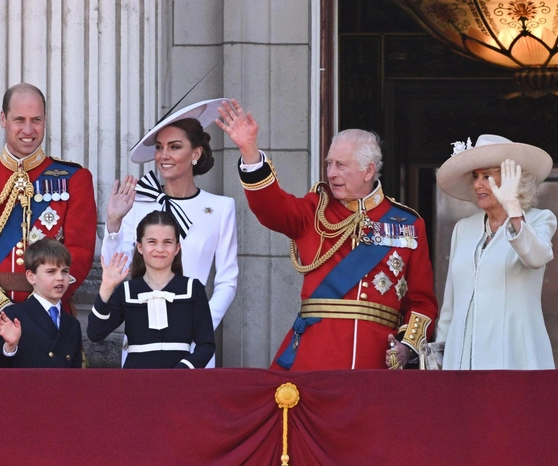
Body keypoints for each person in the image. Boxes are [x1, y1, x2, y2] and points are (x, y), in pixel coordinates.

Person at [216, 99, 438, 370]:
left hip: (377, 361)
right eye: (329, 163)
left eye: (341, 165)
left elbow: (421, 301)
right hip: (315, 356)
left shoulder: (407, 223)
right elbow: (271, 208)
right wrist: (250, 152)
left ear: (368, 170)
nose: (331, 173)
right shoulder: (314, 210)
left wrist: (407, 346)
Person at [0, 83, 96, 367]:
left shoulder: (74, 178)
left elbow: (80, 253)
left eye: (36, 120)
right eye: (19, 120)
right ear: (3, 119)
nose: (29, 129)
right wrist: (0, 309)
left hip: (50, 331)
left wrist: (35, 313)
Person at [102, 99, 237, 367]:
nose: (164, 155)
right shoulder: (138, 203)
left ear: (196, 153)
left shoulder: (221, 208)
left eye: (175, 147)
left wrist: (200, 327)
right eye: (160, 147)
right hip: (141, 341)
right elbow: (114, 269)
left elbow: (227, 281)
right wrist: (114, 222)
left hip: (194, 346)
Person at [435, 134, 556, 370]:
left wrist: (513, 209)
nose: (478, 184)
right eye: (476, 176)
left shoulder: (539, 220)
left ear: (513, 180)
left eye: (488, 176)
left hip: (515, 357)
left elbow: (537, 257)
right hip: (460, 361)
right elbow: (450, 304)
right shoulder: (464, 228)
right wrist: (440, 354)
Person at [88, 211, 215, 369]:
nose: (160, 249)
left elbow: (207, 345)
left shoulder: (193, 289)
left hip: (180, 383)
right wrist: (106, 288)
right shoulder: (126, 291)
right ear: (140, 247)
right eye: (152, 242)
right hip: (136, 383)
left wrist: (182, 371)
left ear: (177, 248)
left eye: (167, 242)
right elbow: (95, 333)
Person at [0, 238, 83, 368]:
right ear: (31, 277)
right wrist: (10, 346)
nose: (60, 278)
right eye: (51, 272)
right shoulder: (15, 315)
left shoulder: (72, 324)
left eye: (65, 271)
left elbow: (76, 374)